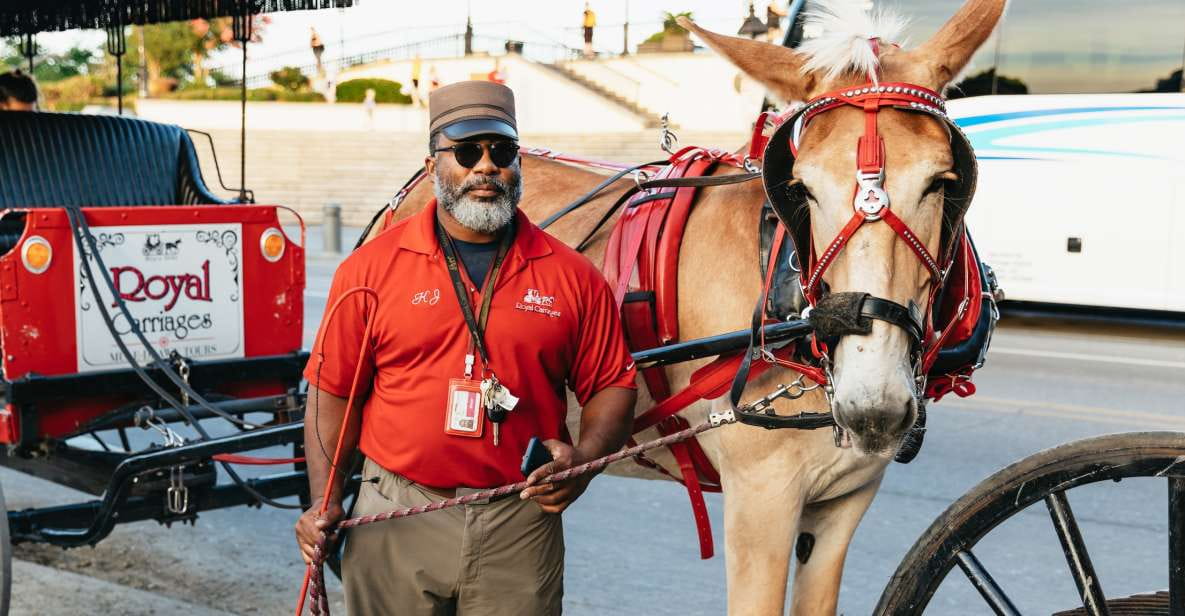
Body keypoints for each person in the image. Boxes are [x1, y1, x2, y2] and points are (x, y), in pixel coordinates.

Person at [294, 81, 638, 615]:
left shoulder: (574, 276)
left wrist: (586, 461)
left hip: (519, 521)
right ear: (434, 162)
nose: (486, 167)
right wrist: (324, 499)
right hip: (398, 515)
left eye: (501, 152)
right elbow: (331, 392)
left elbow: (612, 385)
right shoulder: (368, 270)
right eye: (466, 151)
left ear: (517, 163)